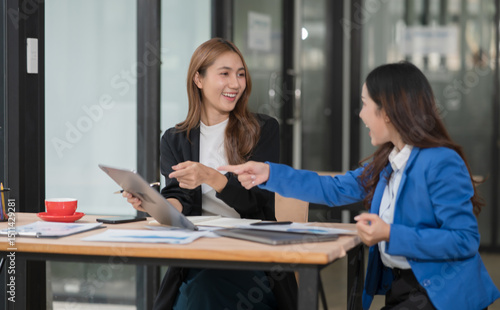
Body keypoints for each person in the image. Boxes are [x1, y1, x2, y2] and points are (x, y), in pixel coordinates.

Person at [220, 61, 500, 310]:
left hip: (440, 296)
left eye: (365, 104)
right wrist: (268, 173)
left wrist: (389, 233)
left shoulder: (440, 162)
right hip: (404, 291)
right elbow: (332, 189)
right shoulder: (388, 161)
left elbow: (464, 240)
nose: (361, 114)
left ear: (387, 112)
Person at [123, 38, 297, 310]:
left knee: (202, 295)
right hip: (196, 256)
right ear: (198, 79)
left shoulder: (263, 129)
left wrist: (211, 177)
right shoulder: (175, 139)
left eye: (240, 74)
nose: (236, 84)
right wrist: (151, 204)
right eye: (224, 74)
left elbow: (258, 202)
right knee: (198, 291)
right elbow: (179, 199)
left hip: (252, 257)